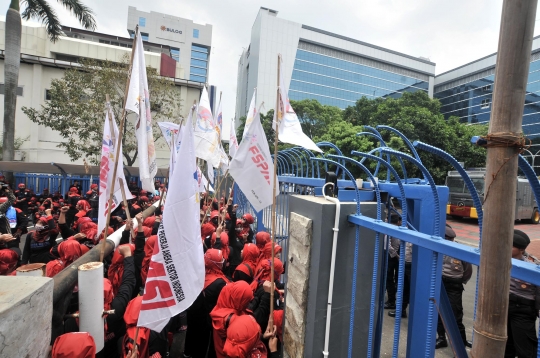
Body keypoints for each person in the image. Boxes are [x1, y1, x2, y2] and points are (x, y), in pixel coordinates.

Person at [435, 224, 473, 349]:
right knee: (439, 312)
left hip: (454, 286)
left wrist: (458, 281)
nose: (447, 241)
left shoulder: (459, 251)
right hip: (440, 283)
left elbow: (467, 271)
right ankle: (441, 338)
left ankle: (461, 343)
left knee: (456, 315)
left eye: (449, 239)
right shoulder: (437, 247)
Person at [505, 229, 539, 358]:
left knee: (525, 348)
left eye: (512, 246)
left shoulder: (531, 265)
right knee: (506, 345)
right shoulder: (501, 261)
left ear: (521, 250)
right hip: (505, 306)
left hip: (523, 310)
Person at [388, 240, 412, 318]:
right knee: (404, 289)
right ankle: (401, 311)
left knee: (409, 290)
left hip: (411, 264)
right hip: (405, 263)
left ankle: (403, 311)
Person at [384, 214, 402, 310]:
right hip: (395, 256)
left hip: (392, 256)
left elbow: (387, 245)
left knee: (389, 279)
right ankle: (393, 300)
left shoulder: (390, 229)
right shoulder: (397, 229)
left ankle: (391, 301)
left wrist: (396, 255)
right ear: (398, 221)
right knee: (395, 279)